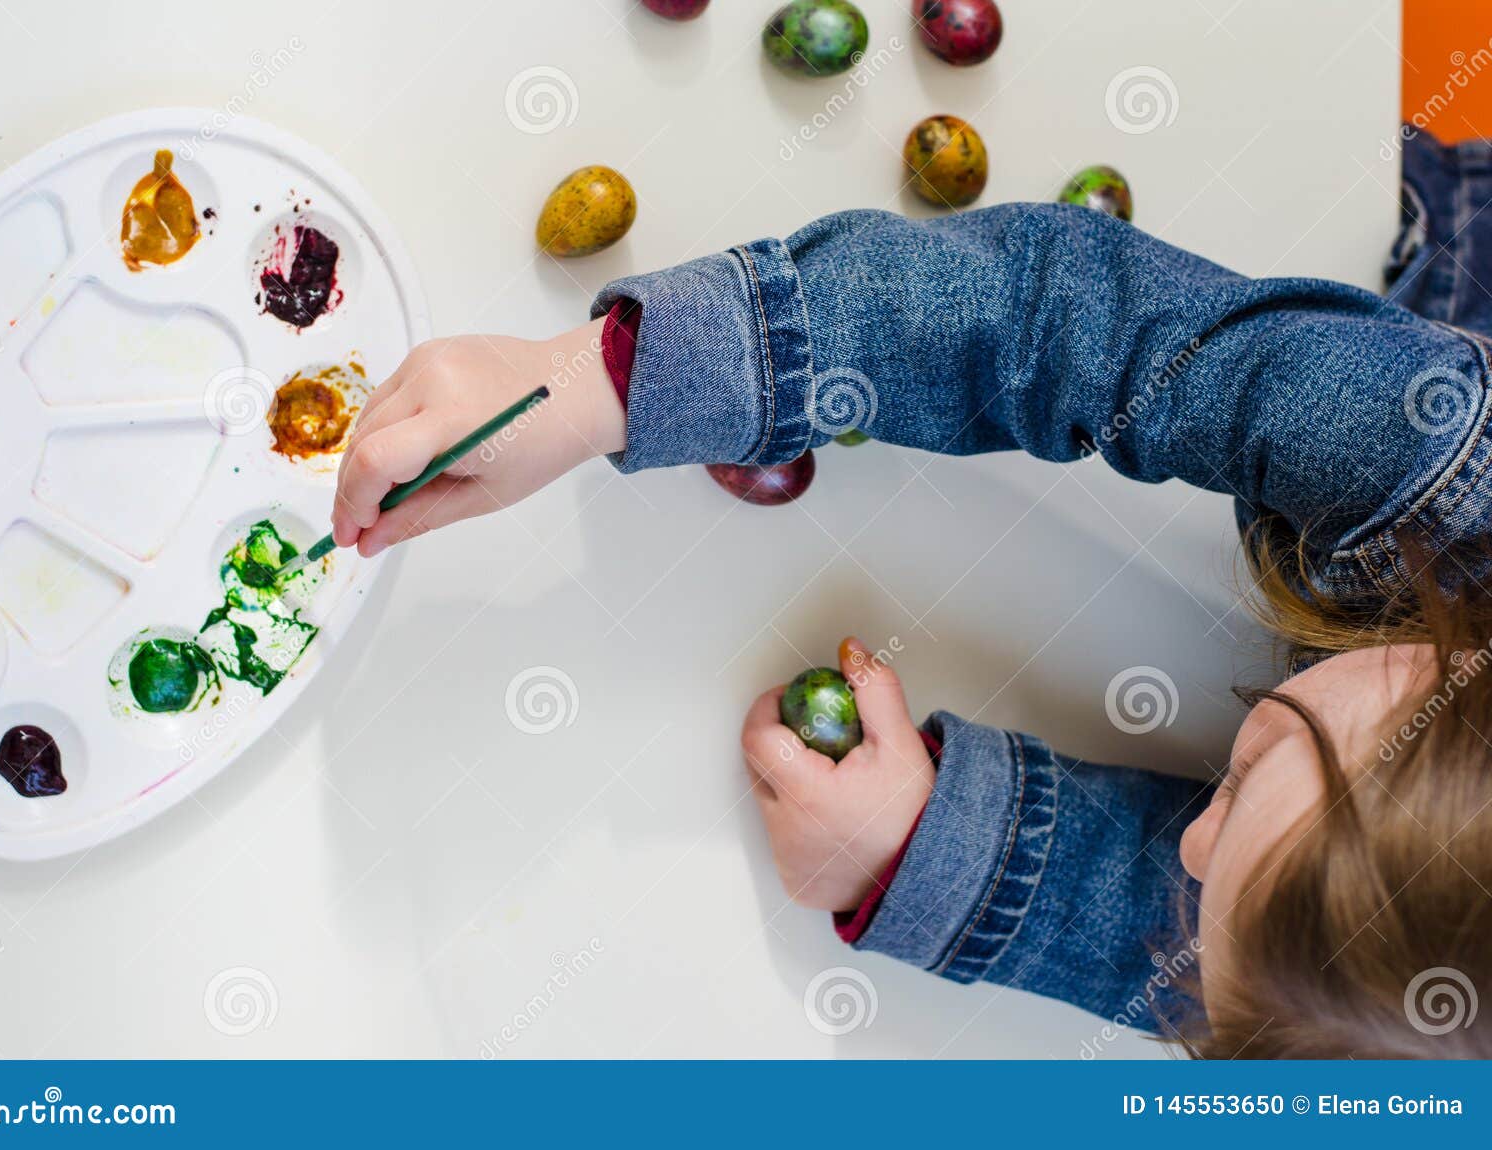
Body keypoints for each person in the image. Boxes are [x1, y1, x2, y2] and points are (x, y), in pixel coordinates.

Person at [329, 131, 1492, 1057]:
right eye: (1235, 785)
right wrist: (605, 382)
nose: (1187, 849)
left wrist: (933, 852)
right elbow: (1072, 319)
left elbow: (1236, 965)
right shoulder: (1436, 468)